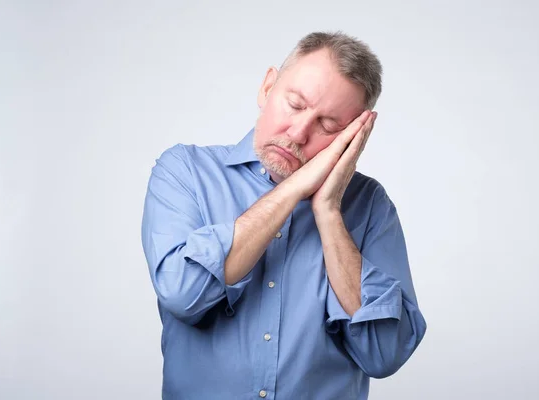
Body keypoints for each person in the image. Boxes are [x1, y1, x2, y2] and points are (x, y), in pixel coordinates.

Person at [141, 31, 427, 400]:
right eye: (294, 104)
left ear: (354, 138)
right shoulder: (185, 171)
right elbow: (183, 295)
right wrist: (292, 189)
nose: (299, 132)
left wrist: (327, 211)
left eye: (328, 127)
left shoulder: (370, 205)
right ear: (267, 87)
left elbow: (385, 353)